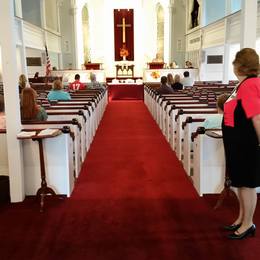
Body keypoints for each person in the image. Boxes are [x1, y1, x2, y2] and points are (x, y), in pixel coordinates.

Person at [222, 48, 260, 239]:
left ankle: (248, 224)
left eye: (235, 62)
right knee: (241, 184)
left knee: (247, 185)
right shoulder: (244, 84)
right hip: (238, 145)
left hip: (246, 145)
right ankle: (241, 218)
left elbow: (257, 118)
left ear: (241, 65)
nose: (234, 66)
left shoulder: (250, 85)